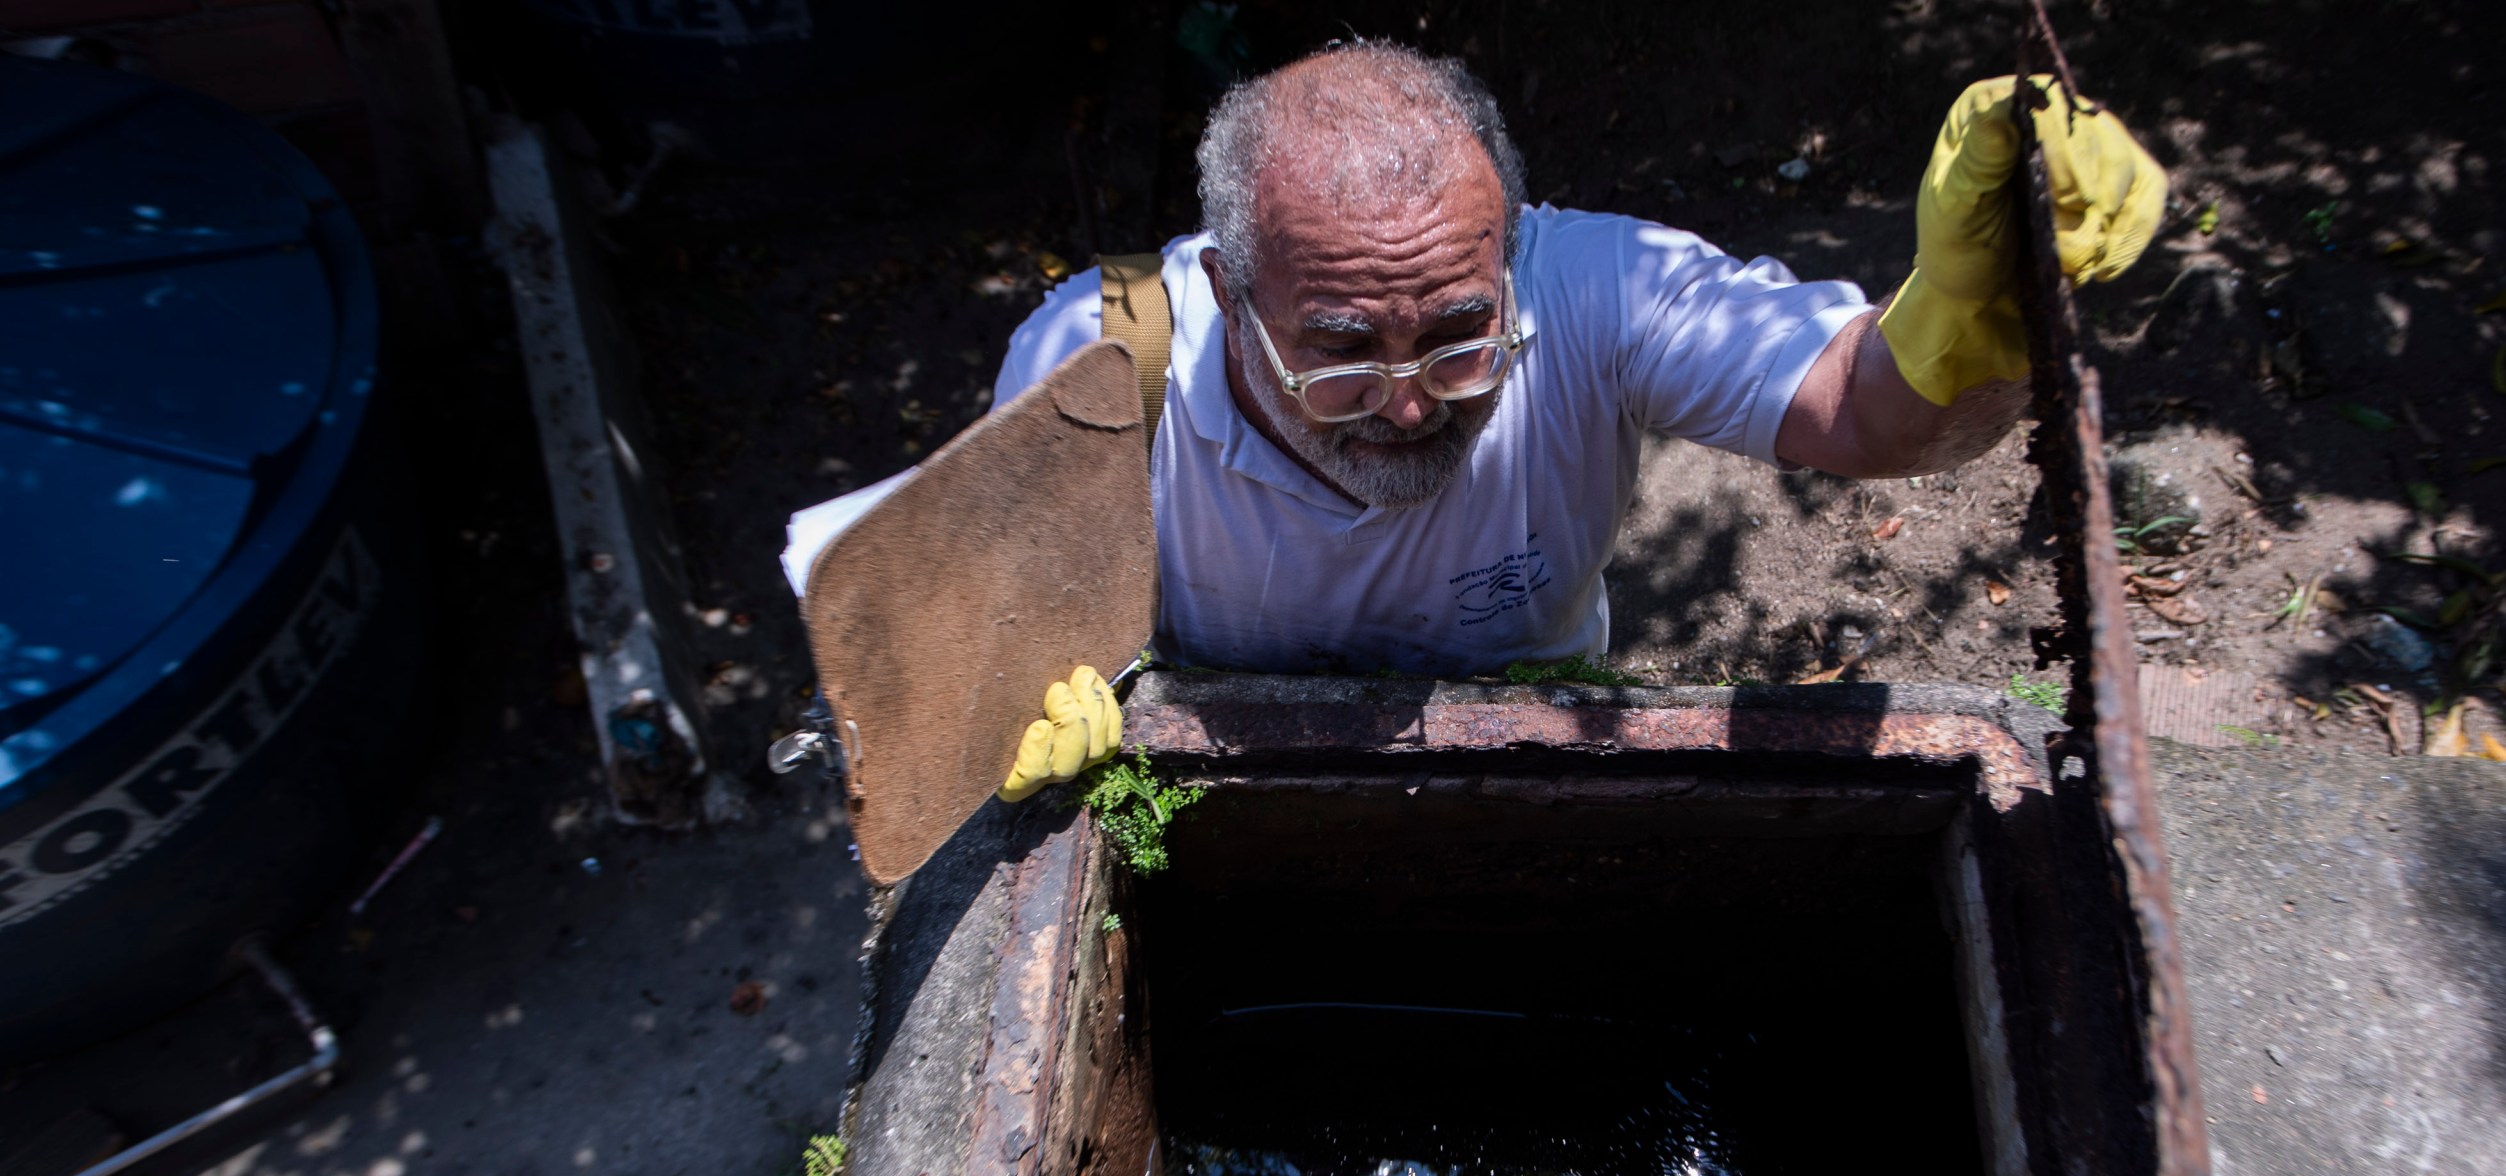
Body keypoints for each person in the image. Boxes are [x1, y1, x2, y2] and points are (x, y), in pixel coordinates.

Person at [780, 40, 2163, 803]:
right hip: (1211, 773)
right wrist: (1012, 711)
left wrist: (1975, 309)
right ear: (1226, 286)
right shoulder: (1100, 365)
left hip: (1539, 744)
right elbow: (966, 644)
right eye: (1337, 350)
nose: (1401, 401)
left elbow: (1874, 415)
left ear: (1509, 254)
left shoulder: (1599, 288)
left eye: (1458, 336)